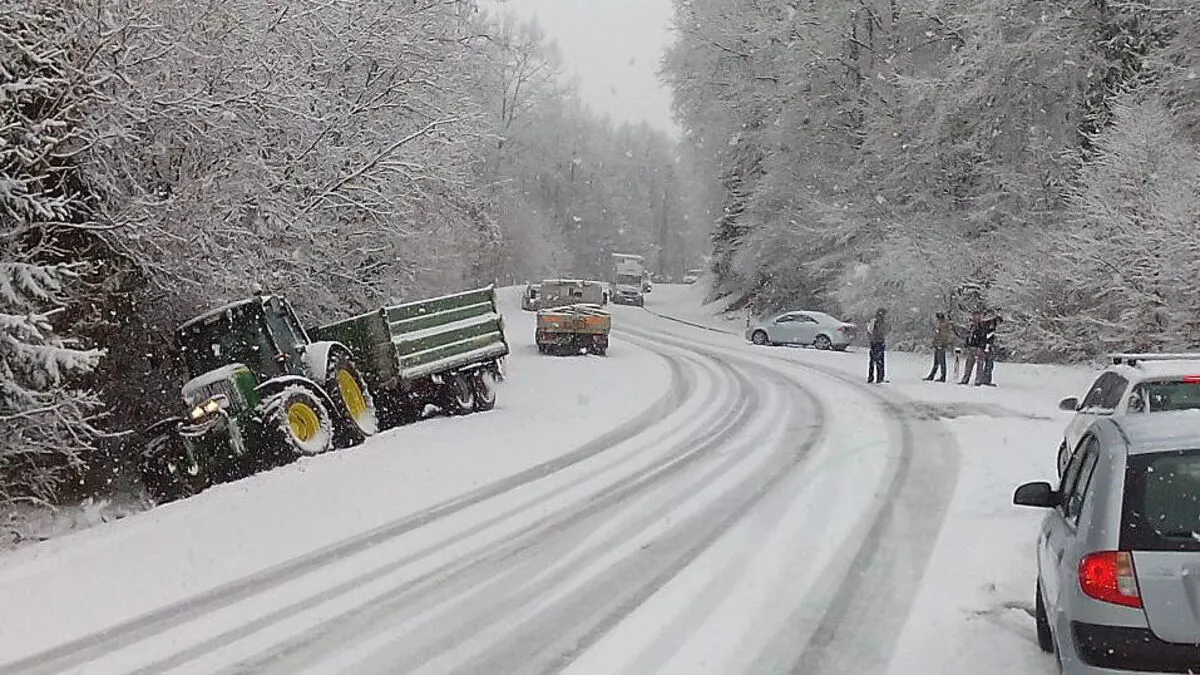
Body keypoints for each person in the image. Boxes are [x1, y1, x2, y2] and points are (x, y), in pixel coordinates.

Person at [958, 311, 986, 385]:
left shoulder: (982, 326)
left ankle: (978, 380)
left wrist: (980, 347)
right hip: (971, 347)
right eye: (974, 316)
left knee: (979, 365)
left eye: (977, 316)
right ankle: (966, 378)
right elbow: (968, 336)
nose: (975, 318)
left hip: (978, 348)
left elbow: (983, 337)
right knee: (968, 364)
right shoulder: (971, 326)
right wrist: (967, 343)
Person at [923, 312, 953, 382]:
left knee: (942, 362)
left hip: (941, 345)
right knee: (936, 362)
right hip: (937, 345)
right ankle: (932, 375)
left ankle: (942, 376)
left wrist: (941, 344)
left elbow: (944, 336)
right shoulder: (940, 324)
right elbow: (937, 335)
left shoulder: (944, 325)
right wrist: (934, 343)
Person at [976, 312, 1001, 387]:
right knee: (987, 363)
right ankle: (984, 378)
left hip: (985, 345)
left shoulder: (983, 325)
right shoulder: (988, 325)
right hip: (986, 345)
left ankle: (983, 378)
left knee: (986, 363)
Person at [867, 307, 888, 384]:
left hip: (873, 342)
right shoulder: (879, 321)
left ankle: (871, 377)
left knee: (872, 360)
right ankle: (880, 377)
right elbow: (881, 332)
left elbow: (869, 331)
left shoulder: (873, 321)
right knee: (880, 360)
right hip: (878, 342)